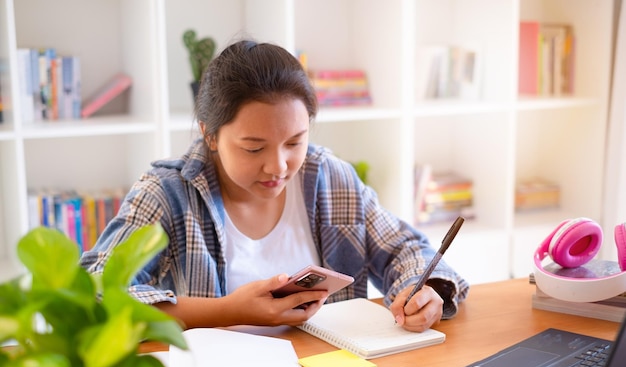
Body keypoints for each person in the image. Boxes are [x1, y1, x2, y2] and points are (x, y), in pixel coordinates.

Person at [80, 39, 469, 332]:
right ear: (209, 135)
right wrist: (230, 310)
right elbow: (92, 296)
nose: (279, 166)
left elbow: (406, 249)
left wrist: (425, 292)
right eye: (254, 147)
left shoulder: (330, 178)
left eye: (295, 142)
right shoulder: (167, 195)